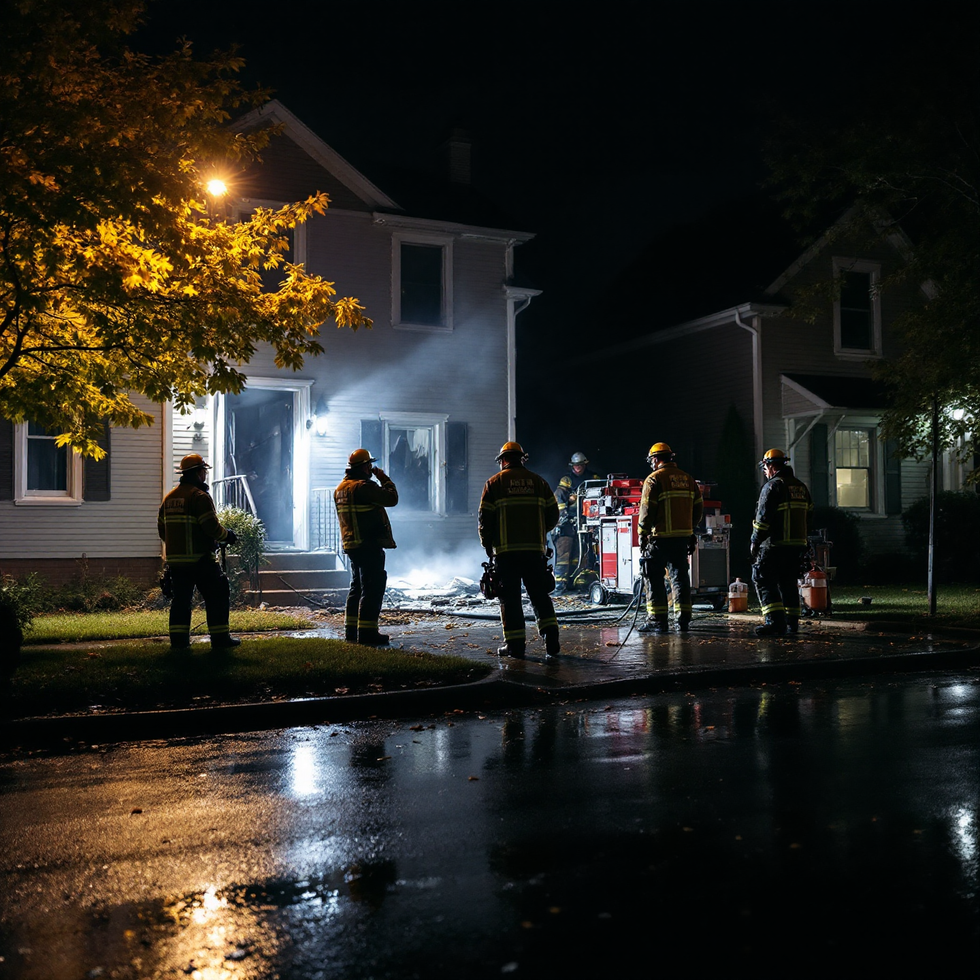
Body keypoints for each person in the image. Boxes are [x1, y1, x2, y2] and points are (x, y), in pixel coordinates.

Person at [479, 441, 561, 660]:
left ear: (503, 460)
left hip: (506, 554)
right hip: (534, 552)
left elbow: (484, 519)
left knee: (510, 599)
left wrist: (487, 543)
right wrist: (540, 531)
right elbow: (554, 515)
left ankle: (515, 646)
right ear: (521, 459)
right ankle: (551, 639)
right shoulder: (539, 483)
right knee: (539, 596)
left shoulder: (494, 484)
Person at [158, 453, 240, 651]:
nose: (205, 475)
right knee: (218, 596)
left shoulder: (169, 498)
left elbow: (162, 530)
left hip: (177, 563)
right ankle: (220, 640)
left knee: (181, 602)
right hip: (201, 560)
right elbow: (211, 527)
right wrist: (228, 535)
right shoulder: (199, 497)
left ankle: (179, 644)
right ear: (197, 473)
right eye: (204, 471)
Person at [334, 448, 399, 646]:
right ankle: (368, 633)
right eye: (369, 465)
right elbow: (392, 498)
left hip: (352, 545)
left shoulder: (341, 488)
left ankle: (351, 631)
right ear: (364, 466)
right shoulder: (363, 487)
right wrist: (383, 477)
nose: (371, 468)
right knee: (373, 587)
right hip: (368, 544)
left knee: (357, 587)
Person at [637, 442, 703, 634]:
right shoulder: (688, 479)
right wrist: (689, 528)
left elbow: (647, 510)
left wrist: (642, 533)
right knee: (680, 577)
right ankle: (682, 620)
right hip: (682, 538)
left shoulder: (654, 479)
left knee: (654, 577)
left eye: (651, 461)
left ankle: (657, 621)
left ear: (656, 459)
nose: (651, 464)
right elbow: (698, 507)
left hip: (660, 538)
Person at [750, 448, 813, 637]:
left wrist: (755, 541)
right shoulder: (801, 487)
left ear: (770, 465)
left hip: (775, 545)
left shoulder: (772, 487)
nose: (764, 471)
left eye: (765, 467)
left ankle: (774, 622)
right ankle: (792, 622)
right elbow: (809, 516)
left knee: (763, 579)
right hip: (797, 546)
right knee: (788, 582)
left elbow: (763, 520)